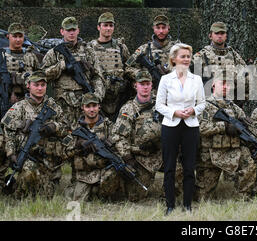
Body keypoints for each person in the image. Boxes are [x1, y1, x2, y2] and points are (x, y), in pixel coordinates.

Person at [156, 43, 205, 215]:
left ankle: (187, 205)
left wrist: (193, 110)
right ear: (174, 59)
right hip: (170, 126)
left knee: (189, 166)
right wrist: (174, 112)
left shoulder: (196, 80)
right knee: (169, 166)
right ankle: (170, 205)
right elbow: (159, 105)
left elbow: (202, 104)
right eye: (183, 56)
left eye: (188, 57)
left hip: (191, 127)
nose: (186, 59)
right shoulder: (165, 80)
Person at [1, 70, 67, 198]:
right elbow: (7, 131)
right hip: (27, 156)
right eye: (36, 85)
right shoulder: (19, 107)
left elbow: (67, 128)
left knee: (47, 195)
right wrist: (11, 153)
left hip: (47, 157)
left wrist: (54, 126)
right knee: (27, 178)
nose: (40, 88)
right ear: (28, 86)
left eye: (42, 85)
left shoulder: (54, 106)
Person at [194, 75, 256, 201]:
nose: (225, 87)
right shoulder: (204, 105)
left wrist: (244, 124)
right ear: (213, 85)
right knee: (202, 199)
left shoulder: (233, 107)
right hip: (211, 154)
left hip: (232, 151)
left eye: (228, 84)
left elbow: (246, 126)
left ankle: (243, 196)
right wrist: (224, 126)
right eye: (222, 83)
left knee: (249, 164)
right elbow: (200, 128)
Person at [41, 16, 105, 130]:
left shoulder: (88, 51)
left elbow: (98, 76)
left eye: (73, 30)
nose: (71, 33)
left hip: (85, 103)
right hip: (62, 104)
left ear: (78, 30)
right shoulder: (54, 53)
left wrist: (97, 96)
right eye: (68, 30)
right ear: (62, 31)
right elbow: (42, 77)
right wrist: (61, 66)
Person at [64, 92, 125, 202]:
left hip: (104, 171)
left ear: (99, 106)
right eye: (88, 106)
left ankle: (103, 194)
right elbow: (64, 153)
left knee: (112, 179)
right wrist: (79, 146)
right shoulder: (74, 128)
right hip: (84, 175)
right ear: (82, 108)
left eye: (94, 106)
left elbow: (119, 148)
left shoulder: (109, 126)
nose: (91, 109)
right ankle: (93, 191)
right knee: (74, 198)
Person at [111, 70, 162, 202]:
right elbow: (118, 136)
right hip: (141, 157)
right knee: (135, 197)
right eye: (142, 84)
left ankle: (166, 197)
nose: (145, 87)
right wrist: (128, 158)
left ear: (152, 85)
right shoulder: (128, 109)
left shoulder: (162, 104)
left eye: (147, 84)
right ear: (135, 86)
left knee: (179, 170)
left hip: (162, 153)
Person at [87, 12, 131, 121]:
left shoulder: (121, 47)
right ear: (99, 27)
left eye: (111, 25)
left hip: (119, 99)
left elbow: (129, 67)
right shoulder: (90, 48)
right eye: (105, 25)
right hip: (98, 99)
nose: (108, 28)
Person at [126, 14, 177, 83]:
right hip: (150, 90)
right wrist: (141, 74)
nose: (161, 31)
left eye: (164, 27)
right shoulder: (144, 48)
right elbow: (128, 67)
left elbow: (187, 65)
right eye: (158, 28)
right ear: (153, 28)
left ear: (168, 28)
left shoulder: (177, 48)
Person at [192, 22, 246, 86]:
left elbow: (246, 78)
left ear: (226, 36)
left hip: (232, 94)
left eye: (222, 33)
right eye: (216, 33)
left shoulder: (234, 56)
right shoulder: (201, 56)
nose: (220, 36)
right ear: (210, 36)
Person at [1, 23, 41, 108]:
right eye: (15, 36)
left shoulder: (31, 55)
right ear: (8, 36)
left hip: (29, 101)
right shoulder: (2, 56)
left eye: (20, 36)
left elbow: (40, 76)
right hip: (6, 101)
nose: (18, 40)